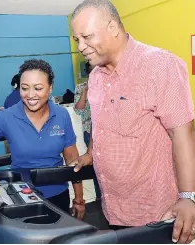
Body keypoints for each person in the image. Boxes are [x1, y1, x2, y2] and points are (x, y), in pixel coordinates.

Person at [71, 0, 195, 243]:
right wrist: (91, 152)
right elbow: (100, 122)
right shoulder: (95, 76)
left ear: (113, 28)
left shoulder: (160, 66)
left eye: (86, 37)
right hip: (113, 206)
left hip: (155, 213)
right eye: (77, 40)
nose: (81, 47)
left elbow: (183, 134)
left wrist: (189, 197)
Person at [0, 59, 85, 219]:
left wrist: (79, 199)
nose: (30, 95)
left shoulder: (61, 114)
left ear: (50, 88)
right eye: (25, 88)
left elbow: (72, 159)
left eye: (38, 88)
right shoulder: (8, 116)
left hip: (58, 193)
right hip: (23, 195)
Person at [73, 62, 101, 199]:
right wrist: (85, 91)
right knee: (95, 165)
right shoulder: (80, 87)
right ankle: (99, 196)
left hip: (108, 133)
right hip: (89, 133)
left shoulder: (107, 86)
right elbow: (78, 110)